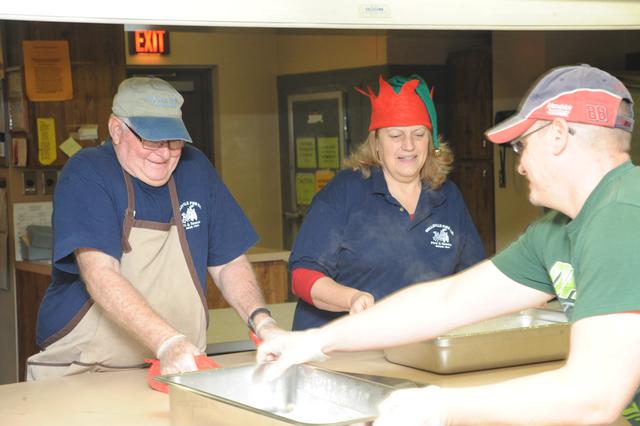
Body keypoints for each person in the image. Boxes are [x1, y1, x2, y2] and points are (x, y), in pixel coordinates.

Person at [257, 64, 640, 425]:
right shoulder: (555, 231)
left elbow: (594, 395)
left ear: (558, 136)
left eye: (522, 146)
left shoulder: (623, 214)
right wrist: (316, 341)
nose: (520, 165)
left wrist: (443, 406)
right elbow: (448, 299)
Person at [27, 77, 282, 380]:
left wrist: (262, 321)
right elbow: (100, 273)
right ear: (116, 129)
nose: (163, 154)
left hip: (177, 366)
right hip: (86, 370)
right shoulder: (88, 172)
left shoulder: (195, 168)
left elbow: (228, 263)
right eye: (151, 140)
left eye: (174, 141)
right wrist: (168, 341)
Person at [290, 74, 485, 330]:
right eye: (395, 136)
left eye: (418, 134)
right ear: (377, 144)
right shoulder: (345, 192)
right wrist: (351, 299)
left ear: (431, 142)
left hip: (411, 346)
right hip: (337, 348)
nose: (408, 146)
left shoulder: (448, 198)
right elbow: (302, 277)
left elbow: (475, 278)